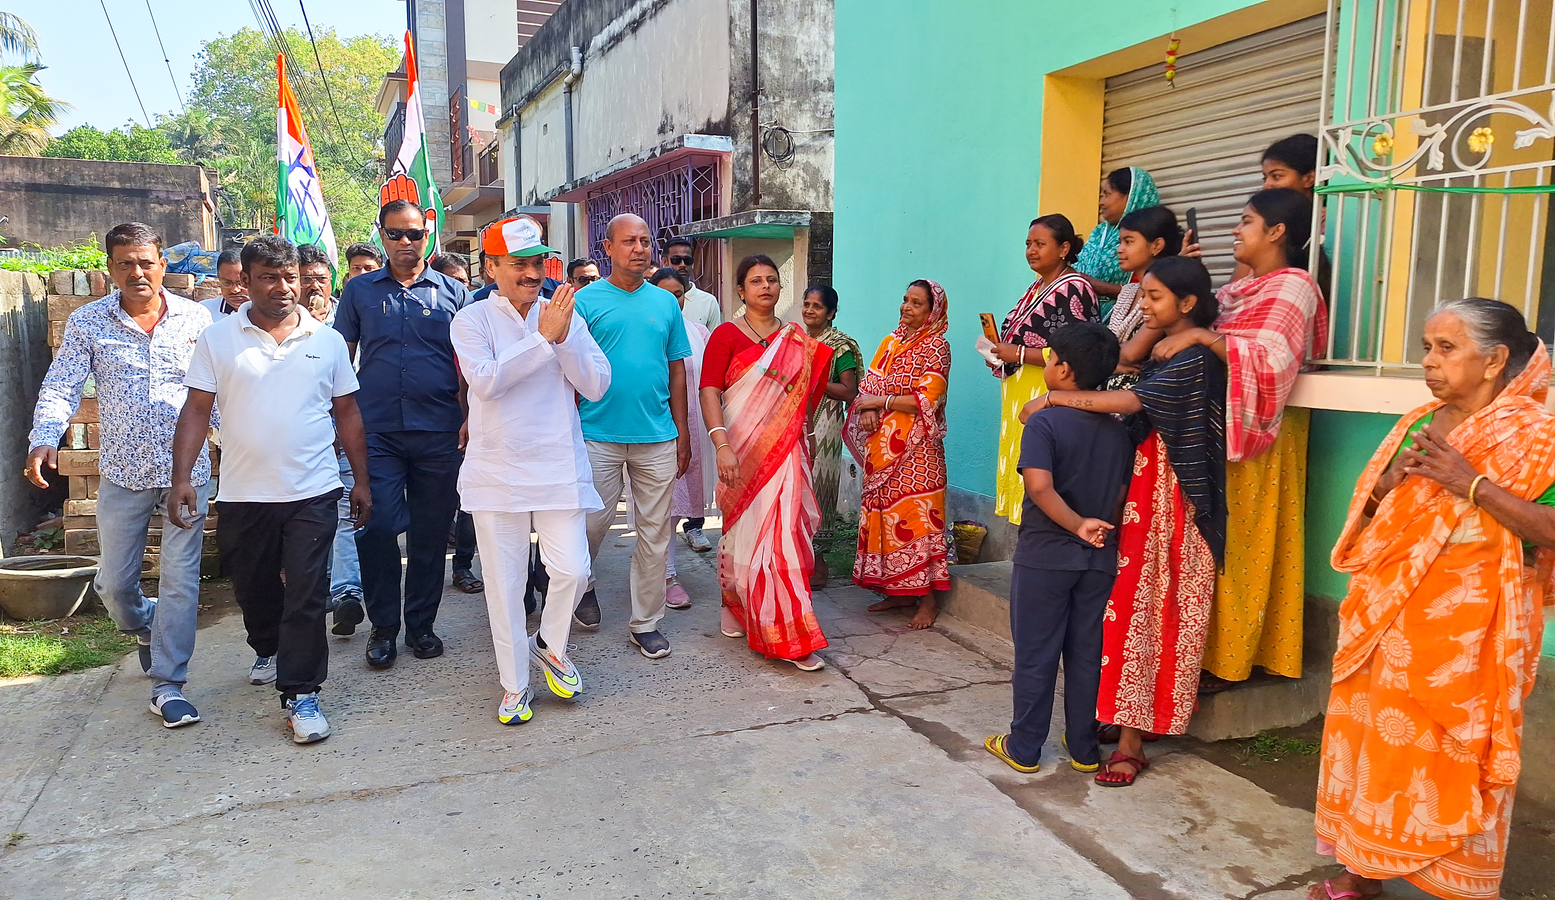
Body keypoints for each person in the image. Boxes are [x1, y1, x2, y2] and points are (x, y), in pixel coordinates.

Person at [1311, 299, 1554, 900]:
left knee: (1452, 756)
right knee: (1373, 747)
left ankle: (1451, 887)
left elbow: (1549, 531)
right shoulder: (1419, 421)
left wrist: (1468, 482)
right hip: (1384, 622)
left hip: (1470, 639)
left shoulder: (1538, 435)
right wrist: (1383, 491)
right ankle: (1361, 869)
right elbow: (1370, 517)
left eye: (1447, 349)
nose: (1429, 362)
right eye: (1427, 347)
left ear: (1496, 360)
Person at [1021, 258, 1227, 786]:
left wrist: (1052, 400)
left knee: (1146, 615)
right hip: (1135, 503)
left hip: (1172, 504)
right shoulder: (1169, 349)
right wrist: (1164, 326)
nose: (1143, 305)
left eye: (1154, 297)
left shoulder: (1196, 360)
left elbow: (1133, 398)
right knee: (1115, 621)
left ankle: (1128, 737)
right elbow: (1125, 356)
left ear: (1186, 302)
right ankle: (1099, 729)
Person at [168, 234, 370, 744]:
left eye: (291, 278)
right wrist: (182, 479)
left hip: (314, 490)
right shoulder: (218, 339)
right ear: (247, 281)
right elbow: (195, 409)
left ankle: (301, 693)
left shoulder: (325, 340)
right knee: (253, 589)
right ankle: (266, 644)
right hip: (243, 492)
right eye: (268, 278)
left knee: (306, 592)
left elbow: (347, 412)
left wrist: (362, 481)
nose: (283, 288)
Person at [24, 222, 216, 728]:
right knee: (113, 584)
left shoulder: (197, 320)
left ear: (163, 265)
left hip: (187, 471)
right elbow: (62, 384)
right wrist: (45, 437)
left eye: (146, 262)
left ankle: (169, 684)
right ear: (111, 268)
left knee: (180, 579)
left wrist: (238, 443)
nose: (137, 272)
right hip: (123, 472)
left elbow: (215, 393)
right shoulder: (90, 322)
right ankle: (147, 625)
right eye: (126, 263)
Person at [1151, 188, 1328, 691]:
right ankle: (1196, 650)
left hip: (1260, 434)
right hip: (1215, 426)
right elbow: (1206, 321)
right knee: (1207, 543)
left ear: (1276, 232)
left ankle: (1232, 660)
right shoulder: (1242, 289)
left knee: (1242, 543)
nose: (1235, 229)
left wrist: (1203, 338)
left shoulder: (1294, 287)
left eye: (1246, 222)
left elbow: (1272, 361)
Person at [451, 216, 610, 725]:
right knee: (504, 585)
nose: (529, 273)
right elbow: (487, 383)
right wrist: (542, 339)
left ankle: (549, 643)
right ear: (491, 266)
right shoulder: (471, 321)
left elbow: (597, 385)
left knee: (573, 570)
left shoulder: (563, 314)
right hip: (497, 472)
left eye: (536, 262)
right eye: (517, 263)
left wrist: (562, 339)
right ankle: (514, 686)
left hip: (557, 465)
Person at [982, 322, 1133, 776]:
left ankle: (1025, 746)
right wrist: (1093, 528)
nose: (1046, 365)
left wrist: (1076, 525)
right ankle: (1084, 746)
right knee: (1086, 651)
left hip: (1046, 556)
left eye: (1049, 359)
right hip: (1099, 559)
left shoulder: (1044, 421)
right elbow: (1122, 491)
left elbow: (1041, 488)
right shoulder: (1119, 430)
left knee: (1036, 652)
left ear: (1064, 371)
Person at [333, 199, 472, 669]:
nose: (406, 243)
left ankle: (422, 626)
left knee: (432, 535)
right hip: (378, 433)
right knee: (377, 529)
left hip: (439, 432)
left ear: (427, 234)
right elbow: (341, 360)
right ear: (382, 236)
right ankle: (384, 627)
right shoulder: (360, 293)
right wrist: (335, 422)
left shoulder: (454, 293)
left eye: (414, 234)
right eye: (395, 234)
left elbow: (470, 365)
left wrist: (471, 417)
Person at [699, 254, 832, 670]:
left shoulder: (796, 341)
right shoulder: (725, 335)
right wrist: (721, 445)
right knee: (742, 534)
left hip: (786, 452)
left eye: (772, 280)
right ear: (741, 290)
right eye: (755, 280)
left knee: (782, 539)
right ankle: (736, 603)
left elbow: (804, 402)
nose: (765, 287)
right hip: (739, 450)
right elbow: (709, 391)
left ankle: (788, 632)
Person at [572, 213, 692, 659]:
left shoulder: (664, 303)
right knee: (591, 523)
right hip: (596, 433)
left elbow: (677, 369)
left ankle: (646, 624)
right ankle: (580, 582)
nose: (639, 249)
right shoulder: (585, 302)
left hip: (657, 435)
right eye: (628, 241)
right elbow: (566, 370)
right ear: (608, 248)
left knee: (655, 533)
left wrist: (683, 433)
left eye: (644, 241)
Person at [846, 279, 952, 630]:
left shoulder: (937, 347)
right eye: (905, 299)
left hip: (918, 451)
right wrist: (866, 409)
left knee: (920, 520)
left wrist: (881, 402)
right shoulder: (889, 343)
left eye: (917, 303)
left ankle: (928, 600)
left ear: (932, 311)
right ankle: (897, 591)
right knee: (885, 520)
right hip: (882, 450)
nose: (907, 307)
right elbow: (868, 386)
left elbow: (927, 399)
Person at [990, 214, 1100, 525]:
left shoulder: (1075, 287)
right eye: (1028, 244)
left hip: (1048, 391)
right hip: (1020, 390)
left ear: (1064, 248)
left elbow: (1081, 349)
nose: (1031, 250)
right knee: (1022, 463)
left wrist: (1020, 352)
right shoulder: (1037, 287)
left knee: (1042, 465)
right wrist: (1001, 354)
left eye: (1040, 244)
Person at [647, 267, 715, 609]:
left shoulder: (698, 332)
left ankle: (666, 570)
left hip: (692, 428)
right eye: (665, 293)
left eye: (678, 294)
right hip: (655, 428)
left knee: (678, 506)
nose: (672, 300)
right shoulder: (645, 329)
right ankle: (667, 574)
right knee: (659, 507)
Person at [429, 254, 484, 595]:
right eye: (452, 280)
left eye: (464, 281)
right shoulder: (435, 324)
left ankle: (462, 566)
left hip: (469, 421)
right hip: (434, 421)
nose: (460, 287)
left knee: (468, 502)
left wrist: (469, 418)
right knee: (444, 500)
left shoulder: (476, 321)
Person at [800, 284, 861, 587]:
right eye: (807, 304)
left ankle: (820, 564)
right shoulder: (799, 342)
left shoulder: (840, 347)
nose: (810, 311)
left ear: (832, 313)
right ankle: (801, 560)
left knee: (819, 489)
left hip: (826, 424)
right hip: (800, 422)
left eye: (818, 306)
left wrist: (812, 379)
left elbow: (849, 391)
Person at [1105, 205, 1182, 389]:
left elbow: (1132, 353)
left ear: (1156, 246)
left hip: (1141, 398)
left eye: (1128, 242)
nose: (1119, 249)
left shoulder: (1167, 294)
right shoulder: (1130, 292)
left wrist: (1103, 361)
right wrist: (1111, 364)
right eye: (1120, 242)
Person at [1075, 167, 1160, 309]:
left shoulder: (1152, 236)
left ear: (1131, 197)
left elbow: (1153, 289)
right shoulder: (1099, 233)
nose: (1101, 202)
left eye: (1107, 194)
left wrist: (1102, 287)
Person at [663, 236, 721, 332]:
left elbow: (714, 342)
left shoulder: (708, 301)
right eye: (676, 260)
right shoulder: (654, 297)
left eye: (687, 260)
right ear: (665, 262)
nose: (682, 265)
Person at [204, 247, 248, 319]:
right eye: (227, 283)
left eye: (241, 283)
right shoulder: (205, 311)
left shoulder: (269, 313)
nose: (235, 290)